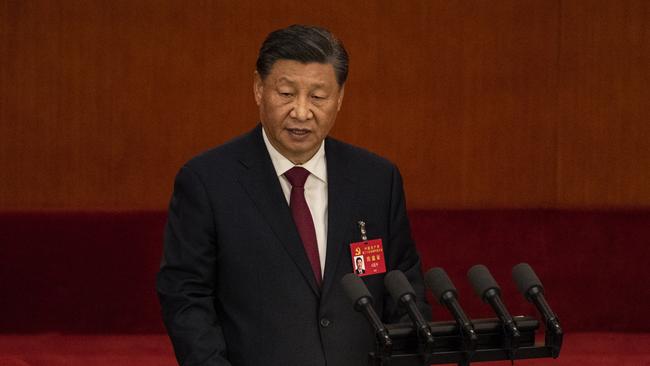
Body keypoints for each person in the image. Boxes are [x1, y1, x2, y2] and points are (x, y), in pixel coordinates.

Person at [156, 24, 429, 366]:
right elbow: (186, 297)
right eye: (286, 93)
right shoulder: (208, 181)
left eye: (318, 96)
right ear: (258, 88)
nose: (301, 112)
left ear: (340, 97)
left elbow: (405, 292)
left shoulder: (376, 179)